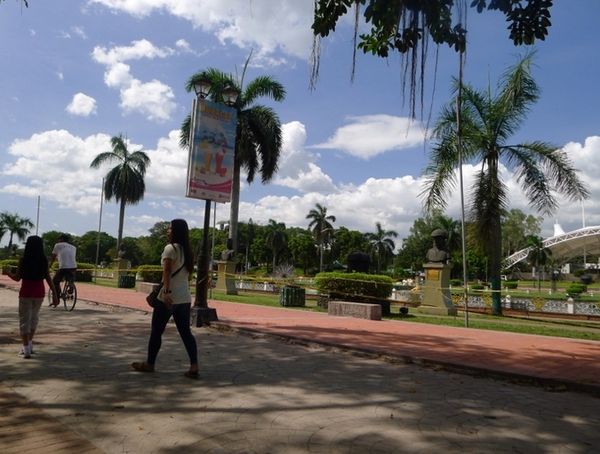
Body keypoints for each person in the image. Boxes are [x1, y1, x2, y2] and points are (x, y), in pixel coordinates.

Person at [132, 219, 199, 379]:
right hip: (184, 298)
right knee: (186, 333)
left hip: (168, 298)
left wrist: (167, 292)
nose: (168, 231)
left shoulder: (170, 249)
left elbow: (167, 271)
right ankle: (194, 365)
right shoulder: (188, 252)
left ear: (176, 231)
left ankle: (150, 363)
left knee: (156, 331)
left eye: (170, 228)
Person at [6, 236, 59, 358]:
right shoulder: (44, 260)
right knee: (34, 318)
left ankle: (26, 349)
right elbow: (48, 278)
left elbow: (17, 278)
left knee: (24, 320)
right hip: (39, 292)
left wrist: (8, 273)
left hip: (26, 292)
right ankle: (29, 345)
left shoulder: (23, 260)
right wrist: (55, 295)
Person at [50, 233, 77, 305]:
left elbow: (53, 257)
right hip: (73, 266)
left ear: (61, 239)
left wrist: (49, 265)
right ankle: (70, 285)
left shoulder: (57, 245)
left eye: (59, 239)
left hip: (63, 266)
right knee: (70, 278)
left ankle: (57, 299)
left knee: (55, 282)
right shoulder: (73, 247)